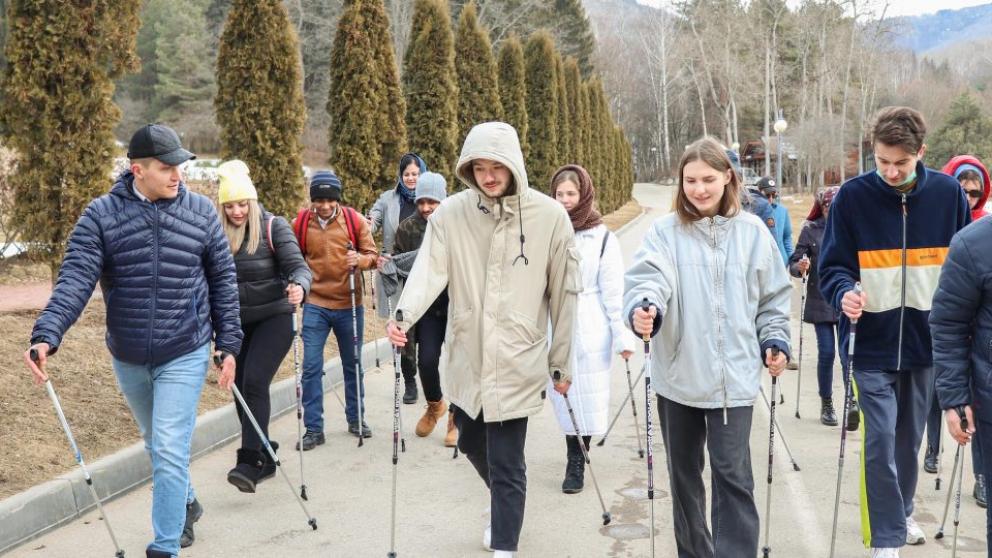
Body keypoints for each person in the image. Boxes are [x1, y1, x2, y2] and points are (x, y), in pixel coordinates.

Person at [23, 124, 242, 558]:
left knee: (167, 442)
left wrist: (228, 343)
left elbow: (223, 282)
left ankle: (165, 546)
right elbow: (75, 279)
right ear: (136, 169)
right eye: (166, 168)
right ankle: (187, 503)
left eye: (180, 166)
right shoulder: (101, 215)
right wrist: (47, 334)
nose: (177, 175)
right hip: (128, 353)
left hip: (185, 346)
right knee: (156, 440)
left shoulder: (200, 213)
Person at [386, 121, 579, 558]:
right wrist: (403, 316)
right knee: (472, 442)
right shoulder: (452, 214)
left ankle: (505, 543)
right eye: (478, 167)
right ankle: (505, 505)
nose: (488, 176)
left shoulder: (550, 217)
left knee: (508, 461)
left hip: (518, 356)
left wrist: (561, 362)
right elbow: (428, 272)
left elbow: (566, 296)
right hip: (468, 354)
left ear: (514, 164)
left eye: (497, 166)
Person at [625, 136, 792, 558]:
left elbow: (773, 299)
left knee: (733, 477)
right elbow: (648, 280)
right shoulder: (664, 232)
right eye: (690, 180)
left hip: (733, 381)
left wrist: (775, 339)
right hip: (678, 378)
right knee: (684, 479)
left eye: (708, 179)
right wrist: (645, 309)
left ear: (728, 178)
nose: (699, 189)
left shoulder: (753, 232)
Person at [818, 106, 970, 556]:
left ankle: (902, 514)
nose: (889, 171)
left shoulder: (948, 196)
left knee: (909, 440)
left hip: (927, 343)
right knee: (880, 437)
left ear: (920, 152)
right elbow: (833, 266)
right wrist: (844, 290)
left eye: (900, 163)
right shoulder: (852, 197)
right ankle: (886, 540)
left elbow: (965, 268)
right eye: (881, 161)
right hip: (869, 344)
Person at [215, 160, 311, 493]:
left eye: (242, 204)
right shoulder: (216, 233)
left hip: (274, 317)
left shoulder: (273, 226)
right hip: (235, 323)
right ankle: (266, 453)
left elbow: (299, 267)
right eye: (229, 206)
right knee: (240, 387)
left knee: (255, 379)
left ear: (252, 202)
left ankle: (249, 460)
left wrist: (299, 285)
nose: (237, 211)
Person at [547, 164, 635, 494]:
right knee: (564, 393)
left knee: (589, 399)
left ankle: (579, 457)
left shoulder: (602, 238)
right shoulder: (549, 230)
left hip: (591, 322)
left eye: (571, 194)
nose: (565, 200)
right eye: (559, 194)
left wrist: (621, 335)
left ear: (584, 193)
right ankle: (574, 455)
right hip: (557, 322)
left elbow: (614, 292)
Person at [923, 155, 990, 506]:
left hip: (978, 336)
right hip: (946, 320)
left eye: (975, 193)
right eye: (963, 191)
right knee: (940, 396)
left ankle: (981, 476)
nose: (969, 198)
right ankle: (932, 449)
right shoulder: (943, 222)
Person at [296, 170, 378, 447]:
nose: (325, 206)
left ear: (337, 200)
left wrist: (361, 260)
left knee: (353, 364)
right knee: (310, 366)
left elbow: (373, 256)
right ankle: (313, 429)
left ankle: (356, 419)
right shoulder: (302, 222)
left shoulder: (353, 221)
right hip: (316, 303)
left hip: (348, 304)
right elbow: (294, 258)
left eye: (330, 200)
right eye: (319, 200)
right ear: (313, 199)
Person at [379, 171, 456, 445]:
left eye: (432, 202)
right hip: (426, 308)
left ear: (442, 201)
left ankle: (456, 417)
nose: (426, 208)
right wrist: (389, 265)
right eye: (422, 202)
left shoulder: (456, 225)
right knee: (426, 361)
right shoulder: (407, 228)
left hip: (457, 304)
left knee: (459, 363)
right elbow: (399, 263)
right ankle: (435, 404)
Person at [788, 186, 851, 427]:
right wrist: (801, 267)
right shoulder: (811, 230)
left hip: (847, 301)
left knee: (848, 356)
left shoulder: (851, 229)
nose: (831, 211)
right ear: (821, 207)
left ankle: (851, 403)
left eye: (835, 207)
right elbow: (794, 262)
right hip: (821, 298)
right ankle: (827, 402)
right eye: (827, 206)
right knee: (827, 352)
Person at [370, 153, 428, 404]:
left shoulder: (432, 200)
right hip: (397, 274)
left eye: (415, 174)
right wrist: (362, 226)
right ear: (400, 176)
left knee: (426, 333)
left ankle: (430, 381)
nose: (411, 178)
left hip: (427, 275)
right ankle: (410, 382)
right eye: (407, 174)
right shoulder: (387, 199)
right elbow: (371, 223)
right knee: (404, 331)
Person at [757, 176, 793, 266]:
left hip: (781, 264)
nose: (771, 199)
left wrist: (792, 259)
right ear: (759, 193)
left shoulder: (782, 211)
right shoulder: (752, 212)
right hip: (760, 264)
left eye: (773, 195)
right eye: (767, 195)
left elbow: (787, 237)